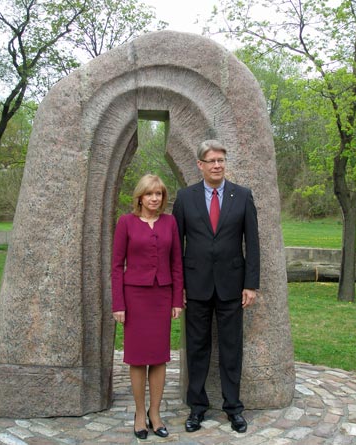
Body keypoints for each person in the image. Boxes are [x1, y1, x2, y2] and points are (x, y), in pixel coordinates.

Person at [172, 139, 260, 434]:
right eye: (211, 161)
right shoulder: (185, 198)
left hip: (232, 287)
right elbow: (176, 247)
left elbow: (253, 244)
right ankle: (197, 408)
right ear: (200, 165)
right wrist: (178, 286)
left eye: (221, 160)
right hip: (195, 287)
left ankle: (233, 408)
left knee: (231, 349)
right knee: (197, 349)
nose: (217, 165)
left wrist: (251, 284)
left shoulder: (243, 196)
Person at [111, 174, 184, 440]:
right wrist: (118, 304)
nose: (155, 198)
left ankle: (156, 413)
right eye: (150, 194)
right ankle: (139, 414)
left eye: (159, 194)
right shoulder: (125, 223)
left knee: (159, 357)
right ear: (139, 197)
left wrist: (177, 300)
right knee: (138, 358)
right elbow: (117, 266)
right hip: (134, 299)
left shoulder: (170, 223)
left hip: (162, 297)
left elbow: (177, 263)